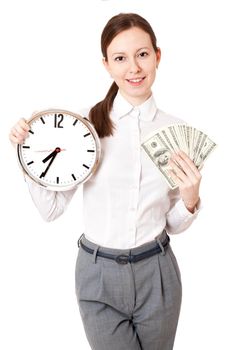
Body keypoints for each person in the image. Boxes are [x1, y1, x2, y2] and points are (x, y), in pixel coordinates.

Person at [9, 12, 202, 350]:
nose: (134, 68)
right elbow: (51, 211)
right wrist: (29, 154)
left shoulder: (177, 133)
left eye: (142, 54)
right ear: (107, 65)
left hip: (157, 272)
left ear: (157, 56)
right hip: (97, 274)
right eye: (120, 58)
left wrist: (190, 199)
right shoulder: (85, 130)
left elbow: (171, 224)